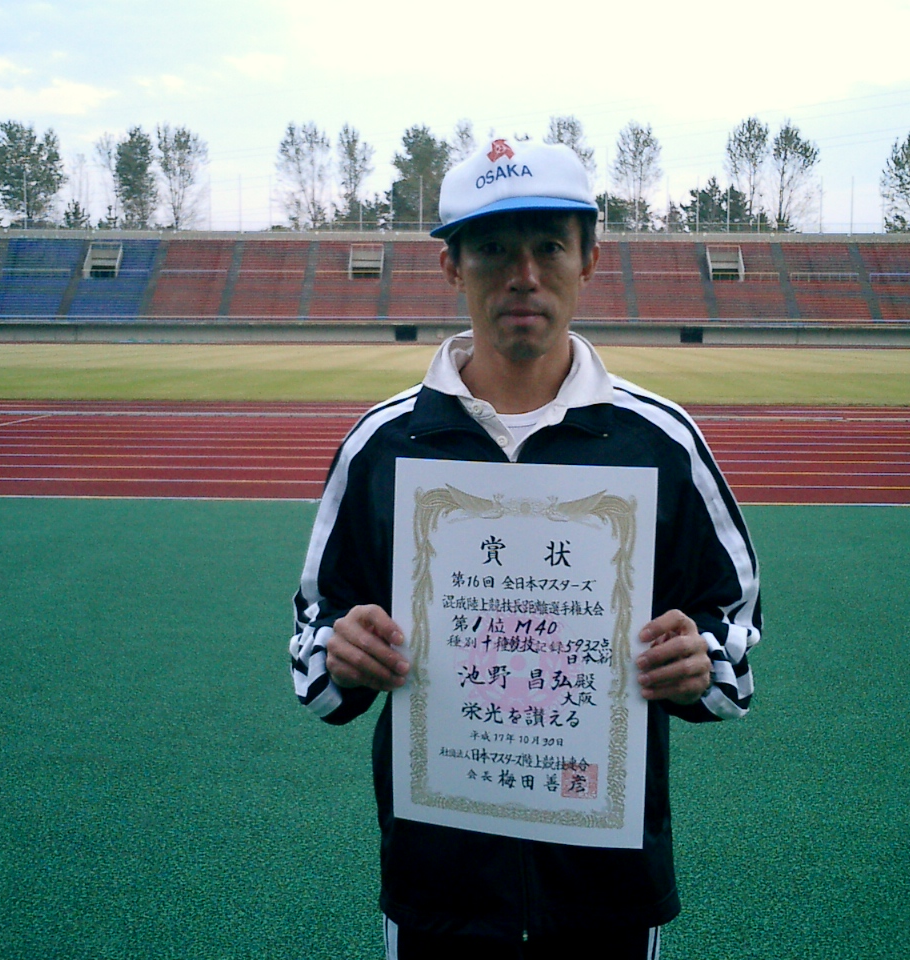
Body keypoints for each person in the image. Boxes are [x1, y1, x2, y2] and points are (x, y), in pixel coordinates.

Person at [289, 138, 760, 960]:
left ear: (590, 259)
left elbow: (735, 629)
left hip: (604, 889)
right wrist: (341, 652)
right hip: (440, 888)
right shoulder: (382, 446)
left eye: (549, 245)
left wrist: (702, 661)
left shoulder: (660, 443)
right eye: (494, 250)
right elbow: (311, 640)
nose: (524, 275)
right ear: (452, 265)